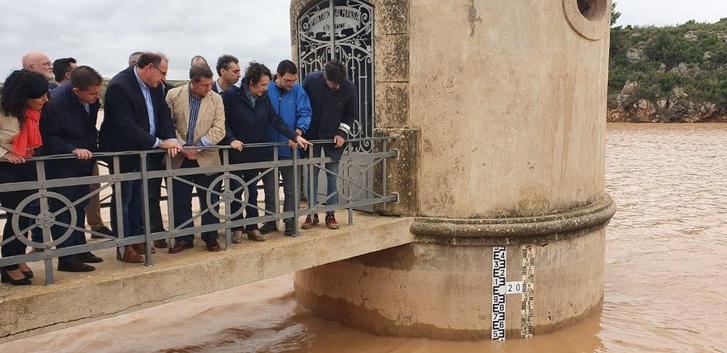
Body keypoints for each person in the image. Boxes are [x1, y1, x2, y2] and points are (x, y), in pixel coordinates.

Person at [99, 52, 181, 263]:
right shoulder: (120, 85)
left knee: (139, 197)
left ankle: (136, 238)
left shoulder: (155, 86)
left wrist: (171, 138)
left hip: (146, 152)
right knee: (124, 198)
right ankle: (124, 246)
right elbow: (125, 125)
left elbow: (163, 113)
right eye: (161, 73)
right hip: (124, 152)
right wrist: (158, 143)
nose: (163, 78)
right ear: (149, 68)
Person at [222, 62, 312, 243]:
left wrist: (295, 136)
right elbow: (223, 121)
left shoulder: (263, 97)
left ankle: (253, 227)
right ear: (252, 82)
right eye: (263, 85)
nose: (266, 88)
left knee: (253, 191)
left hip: (257, 150)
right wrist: (231, 139)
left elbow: (274, 119)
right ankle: (236, 227)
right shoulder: (231, 95)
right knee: (236, 190)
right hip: (236, 152)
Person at [40, 66, 105, 272]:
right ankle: (66, 257)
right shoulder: (55, 103)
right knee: (63, 209)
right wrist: (72, 149)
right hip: (62, 165)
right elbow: (48, 137)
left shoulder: (89, 100)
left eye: (98, 92)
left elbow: (89, 126)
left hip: (83, 163)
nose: (96, 97)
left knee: (79, 205)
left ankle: (79, 249)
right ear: (77, 91)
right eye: (93, 94)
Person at [165, 64, 226, 253]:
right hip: (179, 157)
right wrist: (182, 146)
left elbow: (219, 129)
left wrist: (198, 147)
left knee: (210, 199)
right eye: (205, 85)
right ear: (193, 82)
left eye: (210, 84)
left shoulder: (216, 99)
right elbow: (167, 124)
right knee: (179, 199)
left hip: (206, 157)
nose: (209, 89)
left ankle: (211, 236)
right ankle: (184, 238)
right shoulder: (173, 95)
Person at [0, 70, 49, 285]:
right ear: (24, 95)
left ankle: (18, 257)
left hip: (25, 164)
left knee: (28, 212)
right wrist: (4, 153)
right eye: (40, 96)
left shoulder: (30, 113)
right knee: (16, 213)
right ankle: (9, 263)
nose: (45, 99)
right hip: (5, 168)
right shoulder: (3, 110)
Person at [301, 60, 356, 230]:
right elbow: (302, 106)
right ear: (325, 77)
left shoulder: (349, 87)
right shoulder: (310, 81)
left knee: (332, 174)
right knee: (312, 174)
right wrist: (300, 131)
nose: (337, 88)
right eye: (334, 84)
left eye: (339, 84)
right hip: (312, 138)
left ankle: (331, 214)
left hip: (334, 140)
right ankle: (311, 213)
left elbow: (351, 114)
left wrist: (342, 133)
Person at [260, 60, 311, 236]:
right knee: (270, 188)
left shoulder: (298, 91)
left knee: (292, 188)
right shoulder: (266, 90)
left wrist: (297, 132)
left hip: (290, 149)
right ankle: (270, 221)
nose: (291, 84)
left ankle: (290, 221)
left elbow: (305, 112)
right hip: (268, 148)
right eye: (288, 80)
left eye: (294, 80)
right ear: (278, 76)